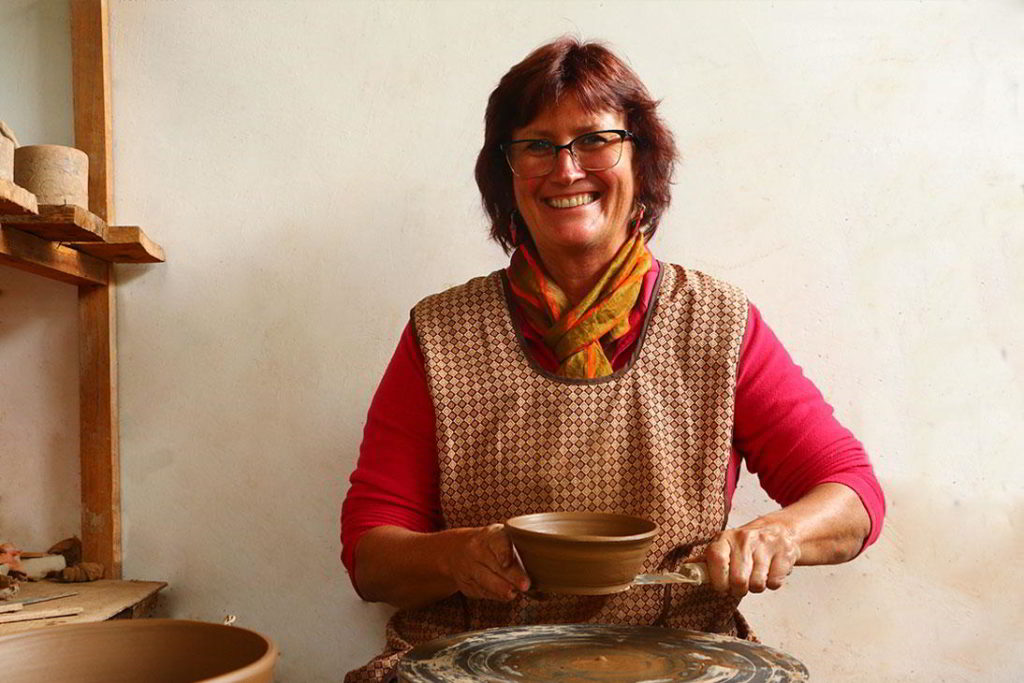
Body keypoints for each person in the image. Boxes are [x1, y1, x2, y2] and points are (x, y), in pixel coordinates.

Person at [340, 37, 885, 682]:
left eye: (596, 140)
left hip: (677, 655)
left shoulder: (715, 323)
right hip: (474, 660)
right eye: (537, 146)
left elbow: (853, 495)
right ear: (506, 174)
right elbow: (371, 557)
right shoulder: (442, 334)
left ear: (642, 157)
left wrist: (779, 534)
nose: (566, 171)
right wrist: (454, 556)